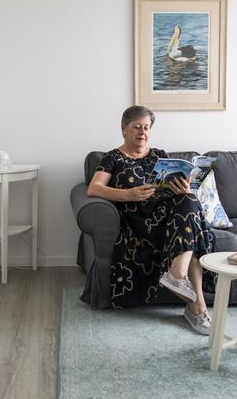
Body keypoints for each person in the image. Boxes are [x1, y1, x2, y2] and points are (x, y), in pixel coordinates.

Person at [87, 105, 215, 334]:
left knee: (189, 202)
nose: (142, 132)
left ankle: (179, 276)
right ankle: (196, 308)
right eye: (136, 127)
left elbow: (174, 189)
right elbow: (94, 189)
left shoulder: (159, 155)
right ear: (124, 129)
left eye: (146, 127)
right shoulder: (112, 158)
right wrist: (128, 194)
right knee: (194, 230)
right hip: (137, 220)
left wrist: (182, 188)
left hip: (168, 216)